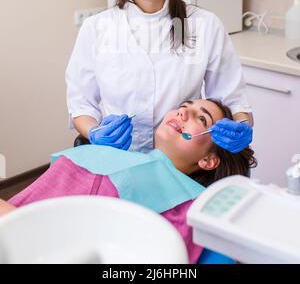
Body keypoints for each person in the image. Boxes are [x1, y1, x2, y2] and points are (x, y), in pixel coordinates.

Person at [66, 0, 253, 154]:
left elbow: (233, 99)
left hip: (181, 167)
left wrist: (241, 125)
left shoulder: (204, 25)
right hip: (117, 160)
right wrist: (94, 132)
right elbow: (81, 104)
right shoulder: (96, 29)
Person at [0, 98, 256, 263]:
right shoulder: (95, 154)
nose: (183, 112)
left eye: (201, 119)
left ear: (209, 161)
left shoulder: (191, 206)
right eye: (183, 106)